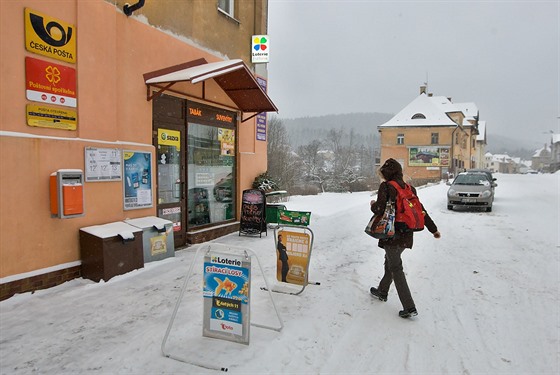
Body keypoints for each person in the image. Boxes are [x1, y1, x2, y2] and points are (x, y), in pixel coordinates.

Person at [369, 158, 441, 318]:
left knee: (396, 268)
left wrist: (372, 204)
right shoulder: (409, 188)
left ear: (387, 173)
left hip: (392, 233)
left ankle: (409, 307)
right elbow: (421, 210)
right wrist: (433, 229)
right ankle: (382, 291)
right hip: (406, 234)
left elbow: (379, 209)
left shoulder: (386, 187)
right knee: (390, 262)